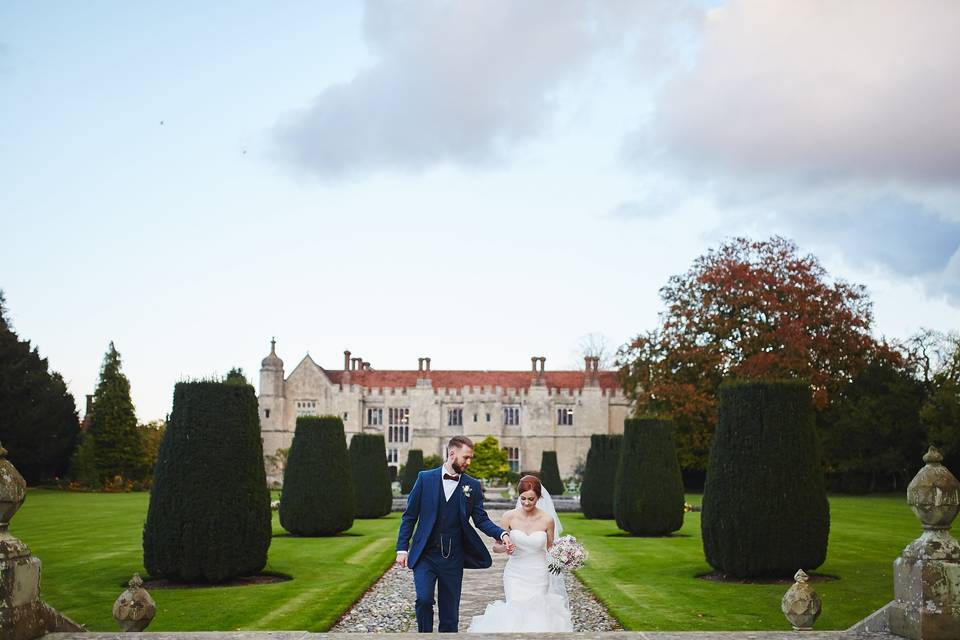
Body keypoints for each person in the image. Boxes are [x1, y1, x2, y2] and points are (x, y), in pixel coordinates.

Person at [396, 436, 514, 633]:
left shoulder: (472, 485)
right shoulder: (425, 479)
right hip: (425, 553)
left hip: (453, 557)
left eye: (470, 458)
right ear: (452, 454)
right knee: (424, 599)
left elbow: (481, 519)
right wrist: (402, 548)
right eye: (466, 457)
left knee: (450, 613)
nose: (469, 462)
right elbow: (409, 516)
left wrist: (501, 533)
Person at [467, 475, 574, 633]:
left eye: (531, 499)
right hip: (515, 573)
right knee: (515, 608)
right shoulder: (508, 517)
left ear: (539, 497)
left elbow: (551, 548)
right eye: (523, 498)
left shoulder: (547, 520)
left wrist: (566, 555)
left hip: (539, 572)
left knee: (537, 612)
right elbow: (496, 547)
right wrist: (505, 547)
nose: (526, 503)